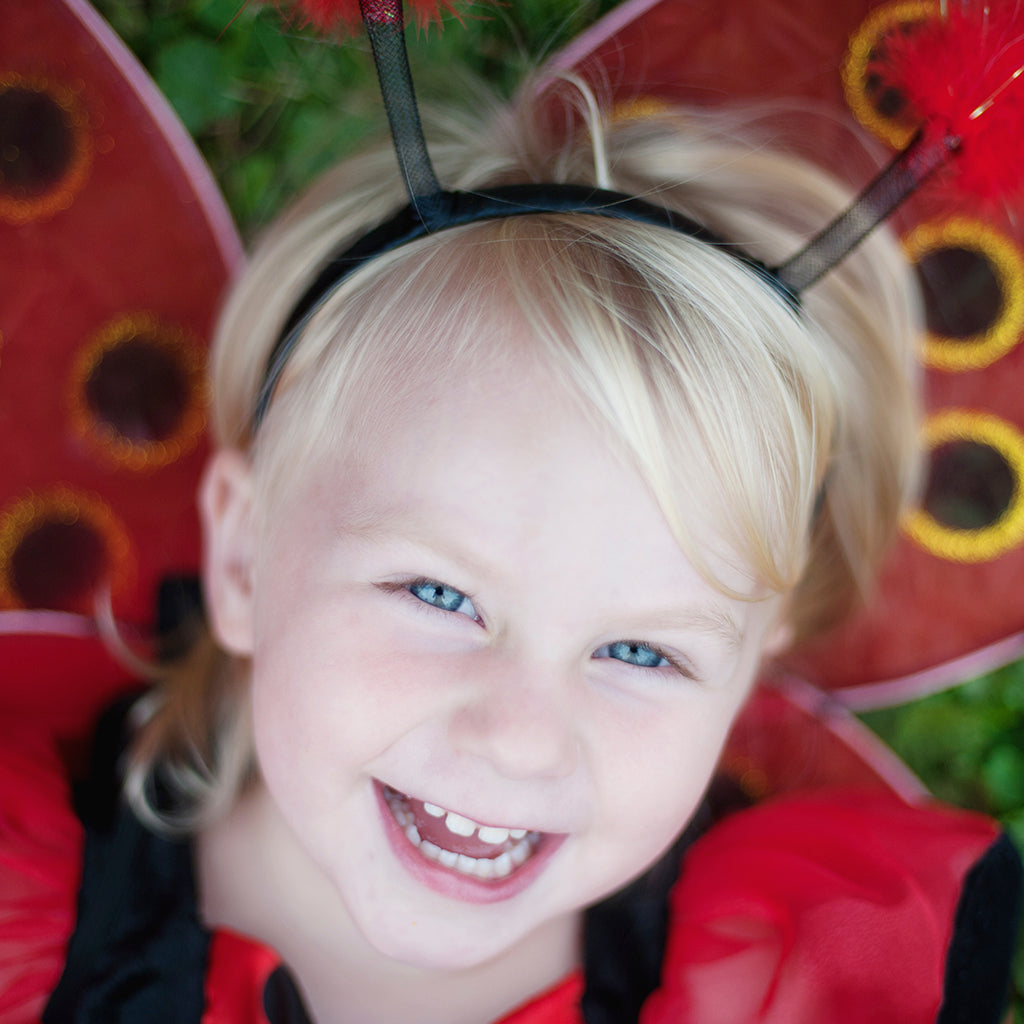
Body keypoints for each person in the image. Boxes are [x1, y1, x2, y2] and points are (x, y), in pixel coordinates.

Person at [2, 24, 1020, 1024]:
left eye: (640, 650)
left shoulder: (790, 984)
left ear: (753, 661)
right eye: (441, 594)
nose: (519, 739)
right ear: (240, 556)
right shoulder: (23, 924)